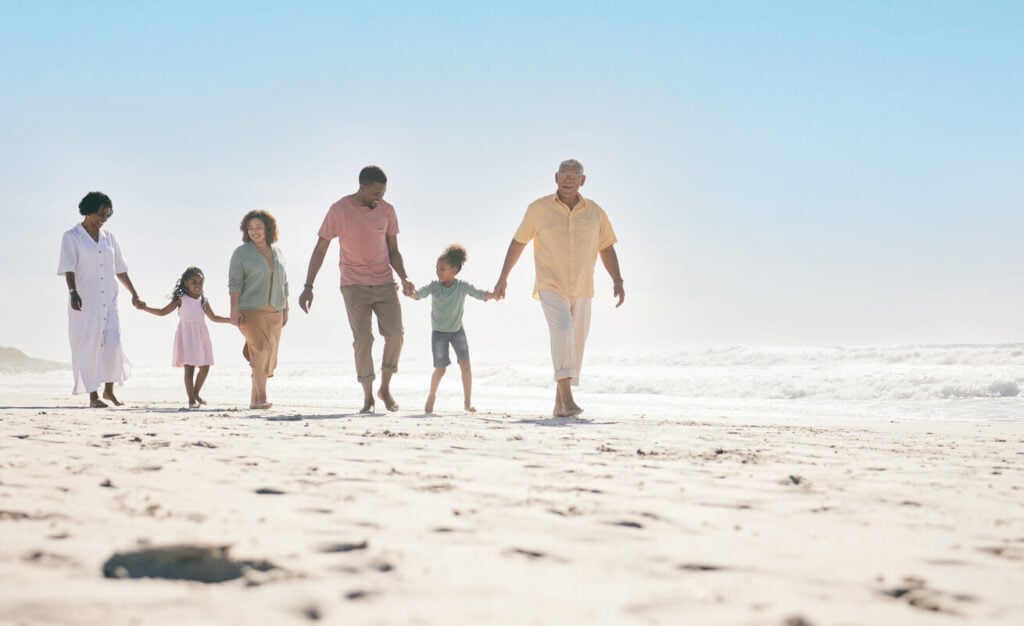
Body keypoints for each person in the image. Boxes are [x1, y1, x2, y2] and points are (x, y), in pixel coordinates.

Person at [493, 159, 625, 418]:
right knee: (563, 331)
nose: (568, 179)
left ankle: (559, 406)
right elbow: (518, 242)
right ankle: (567, 399)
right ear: (555, 177)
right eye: (563, 174)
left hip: (583, 286)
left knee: (575, 342)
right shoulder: (538, 209)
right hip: (550, 284)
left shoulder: (596, 212)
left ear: (582, 181)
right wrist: (503, 277)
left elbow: (606, 246)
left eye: (573, 176)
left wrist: (618, 280)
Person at [298, 165, 414, 414]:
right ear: (362, 187)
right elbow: (320, 249)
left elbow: (393, 250)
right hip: (353, 285)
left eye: (383, 193)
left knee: (395, 334)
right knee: (363, 339)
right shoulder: (339, 210)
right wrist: (308, 286)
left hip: (384, 281)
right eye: (376, 193)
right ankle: (368, 396)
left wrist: (404, 278)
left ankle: (385, 388)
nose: (379, 197)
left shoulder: (387, 211)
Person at [57, 191, 143, 408]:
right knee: (90, 345)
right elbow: (68, 268)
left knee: (113, 344)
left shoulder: (110, 237)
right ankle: (93, 396)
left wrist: (134, 293)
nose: (103, 219)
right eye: (100, 214)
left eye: (107, 215)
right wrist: (73, 291)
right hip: (85, 301)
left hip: (110, 299)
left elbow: (120, 269)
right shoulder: (72, 236)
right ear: (88, 211)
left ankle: (109, 391)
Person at [408, 244, 494, 414]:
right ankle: (431, 396)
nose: (438, 272)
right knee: (441, 369)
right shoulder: (434, 286)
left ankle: (468, 403)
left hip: (457, 331)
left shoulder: (461, 286)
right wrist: (411, 293)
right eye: (437, 269)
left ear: (454, 270)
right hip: (439, 333)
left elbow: (479, 294)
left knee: (466, 365)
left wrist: (493, 295)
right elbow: (419, 294)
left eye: (442, 269)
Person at [138, 267, 231, 408]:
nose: (198, 285)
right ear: (186, 283)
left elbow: (214, 317)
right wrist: (145, 308)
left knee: (205, 367)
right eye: (194, 281)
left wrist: (231, 320)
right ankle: (191, 400)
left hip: (201, 335)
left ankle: (196, 392)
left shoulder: (203, 301)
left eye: (200, 282)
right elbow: (163, 312)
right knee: (189, 369)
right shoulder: (181, 299)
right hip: (187, 336)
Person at [229, 211, 289, 410]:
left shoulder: (278, 252)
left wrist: (286, 307)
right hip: (250, 310)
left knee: (266, 355)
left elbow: (284, 282)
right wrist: (233, 309)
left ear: (268, 229)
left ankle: (254, 401)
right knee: (260, 350)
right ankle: (262, 398)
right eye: (250, 228)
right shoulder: (241, 253)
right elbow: (235, 283)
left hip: (275, 310)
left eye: (258, 227)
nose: (254, 231)